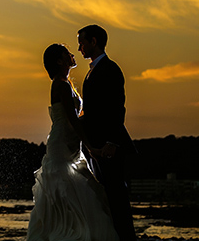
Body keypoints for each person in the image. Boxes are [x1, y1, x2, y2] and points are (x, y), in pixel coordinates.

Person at [27, 43, 119, 241]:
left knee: (81, 192)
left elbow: (78, 119)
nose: (72, 54)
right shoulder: (60, 84)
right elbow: (72, 120)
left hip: (71, 143)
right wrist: (90, 147)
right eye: (67, 53)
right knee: (67, 191)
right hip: (62, 144)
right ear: (60, 61)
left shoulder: (66, 83)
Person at [77, 24, 136, 241]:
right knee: (105, 196)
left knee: (116, 196)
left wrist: (112, 141)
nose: (79, 47)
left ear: (94, 41)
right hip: (95, 147)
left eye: (82, 42)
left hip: (108, 146)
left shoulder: (110, 69)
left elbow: (117, 107)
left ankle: (127, 238)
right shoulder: (92, 71)